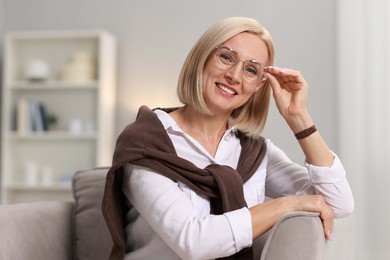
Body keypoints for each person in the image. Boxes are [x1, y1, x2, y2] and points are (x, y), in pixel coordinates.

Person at [102, 17, 354, 260]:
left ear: (258, 86)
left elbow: (338, 203)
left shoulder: (253, 152)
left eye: (251, 70)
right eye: (226, 57)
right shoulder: (146, 142)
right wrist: (285, 205)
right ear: (202, 58)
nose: (234, 75)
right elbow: (193, 242)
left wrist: (298, 118)